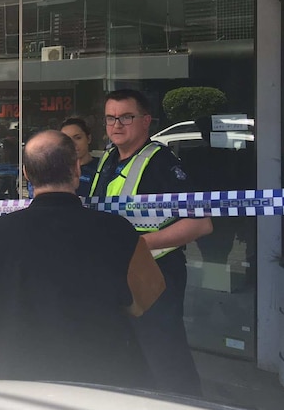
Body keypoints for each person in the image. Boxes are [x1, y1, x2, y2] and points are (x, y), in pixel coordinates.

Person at [0, 130, 164, 387]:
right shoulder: (120, 232)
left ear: (26, 173)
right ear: (75, 168)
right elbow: (148, 295)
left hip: (17, 387)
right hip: (103, 385)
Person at [90, 88, 212, 396]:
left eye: (126, 117)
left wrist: (141, 244)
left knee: (165, 357)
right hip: (115, 274)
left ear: (146, 121)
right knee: (128, 357)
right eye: (110, 118)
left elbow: (201, 223)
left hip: (157, 274)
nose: (117, 125)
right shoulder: (108, 158)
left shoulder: (161, 163)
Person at [60, 116, 99, 197]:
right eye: (66, 140)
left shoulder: (103, 167)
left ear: (88, 138)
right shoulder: (56, 170)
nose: (72, 143)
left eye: (77, 138)